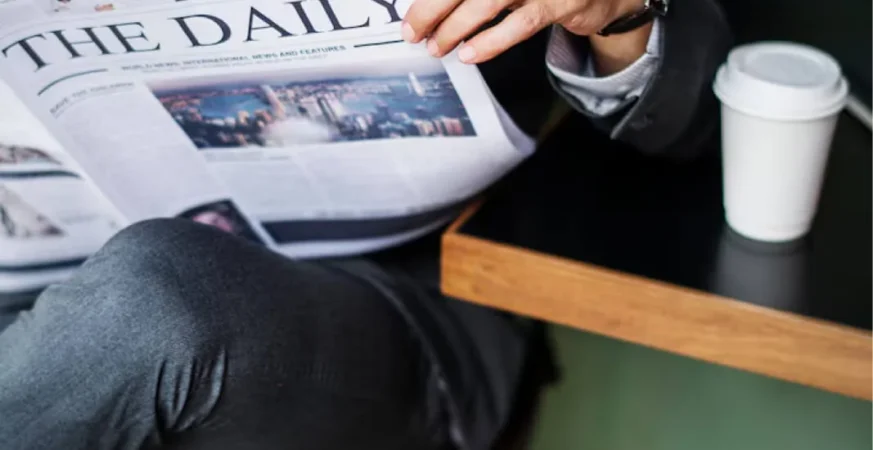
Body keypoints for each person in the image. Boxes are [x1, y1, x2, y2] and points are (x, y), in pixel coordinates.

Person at [0, 0, 732, 448]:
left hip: (383, 300)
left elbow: (696, 118)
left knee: (145, 307)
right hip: (36, 257)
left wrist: (622, 14)